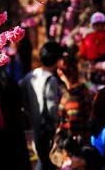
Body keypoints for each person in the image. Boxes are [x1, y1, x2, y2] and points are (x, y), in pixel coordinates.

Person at [20, 41, 64, 170]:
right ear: (57, 59)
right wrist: (58, 122)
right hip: (47, 127)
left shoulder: (31, 75)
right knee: (46, 160)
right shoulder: (51, 79)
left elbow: (22, 96)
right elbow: (52, 107)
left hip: (35, 123)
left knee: (41, 157)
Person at [53, 54, 93, 168]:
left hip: (73, 151)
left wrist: (64, 148)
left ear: (60, 73)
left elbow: (73, 127)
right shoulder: (86, 91)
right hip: (85, 144)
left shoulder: (71, 98)